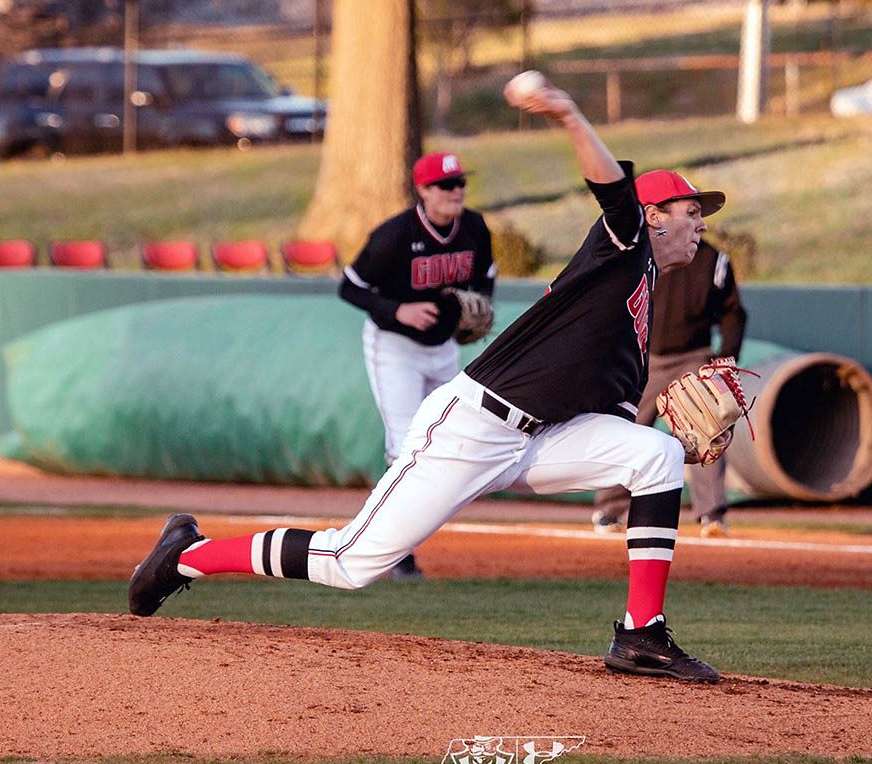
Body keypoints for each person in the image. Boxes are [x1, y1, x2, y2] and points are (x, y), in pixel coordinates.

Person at [129, 75, 729, 683]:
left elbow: (612, 410)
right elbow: (609, 187)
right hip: (472, 428)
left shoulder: (643, 298)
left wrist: (659, 440)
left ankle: (641, 635)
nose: (700, 223)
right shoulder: (625, 248)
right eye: (690, 211)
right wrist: (569, 113)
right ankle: (189, 556)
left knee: (655, 455)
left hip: (540, 440)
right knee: (351, 561)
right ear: (652, 217)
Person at [338, 151, 497, 580]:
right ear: (423, 191)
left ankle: (405, 533)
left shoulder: (475, 229)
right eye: (446, 185)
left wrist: (479, 304)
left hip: (444, 347)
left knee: (446, 436)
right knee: (404, 442)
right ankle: (392, 550)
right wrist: (398, 311)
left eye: (461, 182)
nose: (456, 191)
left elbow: (486, 277)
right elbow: (350, 288)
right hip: (394, 347)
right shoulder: (394, 235)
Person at [592, 238, 747, 538]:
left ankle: (711, 515)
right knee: (625, 429)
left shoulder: (714, 259)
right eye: (688, 212)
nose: (695, 221)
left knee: (707, 431)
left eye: (696, 213)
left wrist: (726, 356)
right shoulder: (642, 251)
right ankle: (609, 509)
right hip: (644, 355)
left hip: (693, 355)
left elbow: (733, 312)